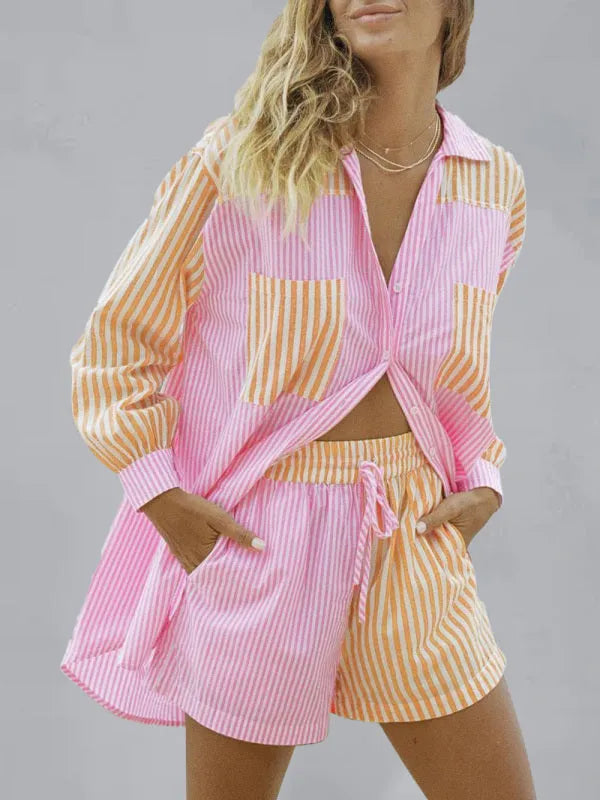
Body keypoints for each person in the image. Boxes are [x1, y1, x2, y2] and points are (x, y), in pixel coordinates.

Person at [60, 1, 536, 798]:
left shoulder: (494, 184)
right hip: (259, 535)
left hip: (412, 530)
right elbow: (117, 346)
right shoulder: (239, 161)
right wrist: (159, 494)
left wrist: (481, 476)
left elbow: (459, 377)